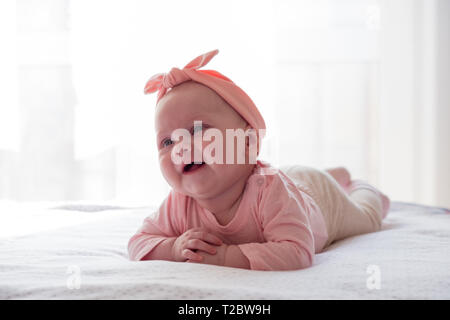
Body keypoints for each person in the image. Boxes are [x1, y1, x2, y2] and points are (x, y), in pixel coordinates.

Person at [127, 49, 390, 271]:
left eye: (197, 129)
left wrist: (224, 257)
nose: (180, 147)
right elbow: (138, 242)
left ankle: (362, 189)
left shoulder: (270, 190)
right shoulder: (178, 203)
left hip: (321, 200)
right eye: (167, 142)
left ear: (248, 143)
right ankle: (333, 174)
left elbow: (298, 251)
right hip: (294, 180)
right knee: (297, 178)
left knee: (368, 219)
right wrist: (172, 248)